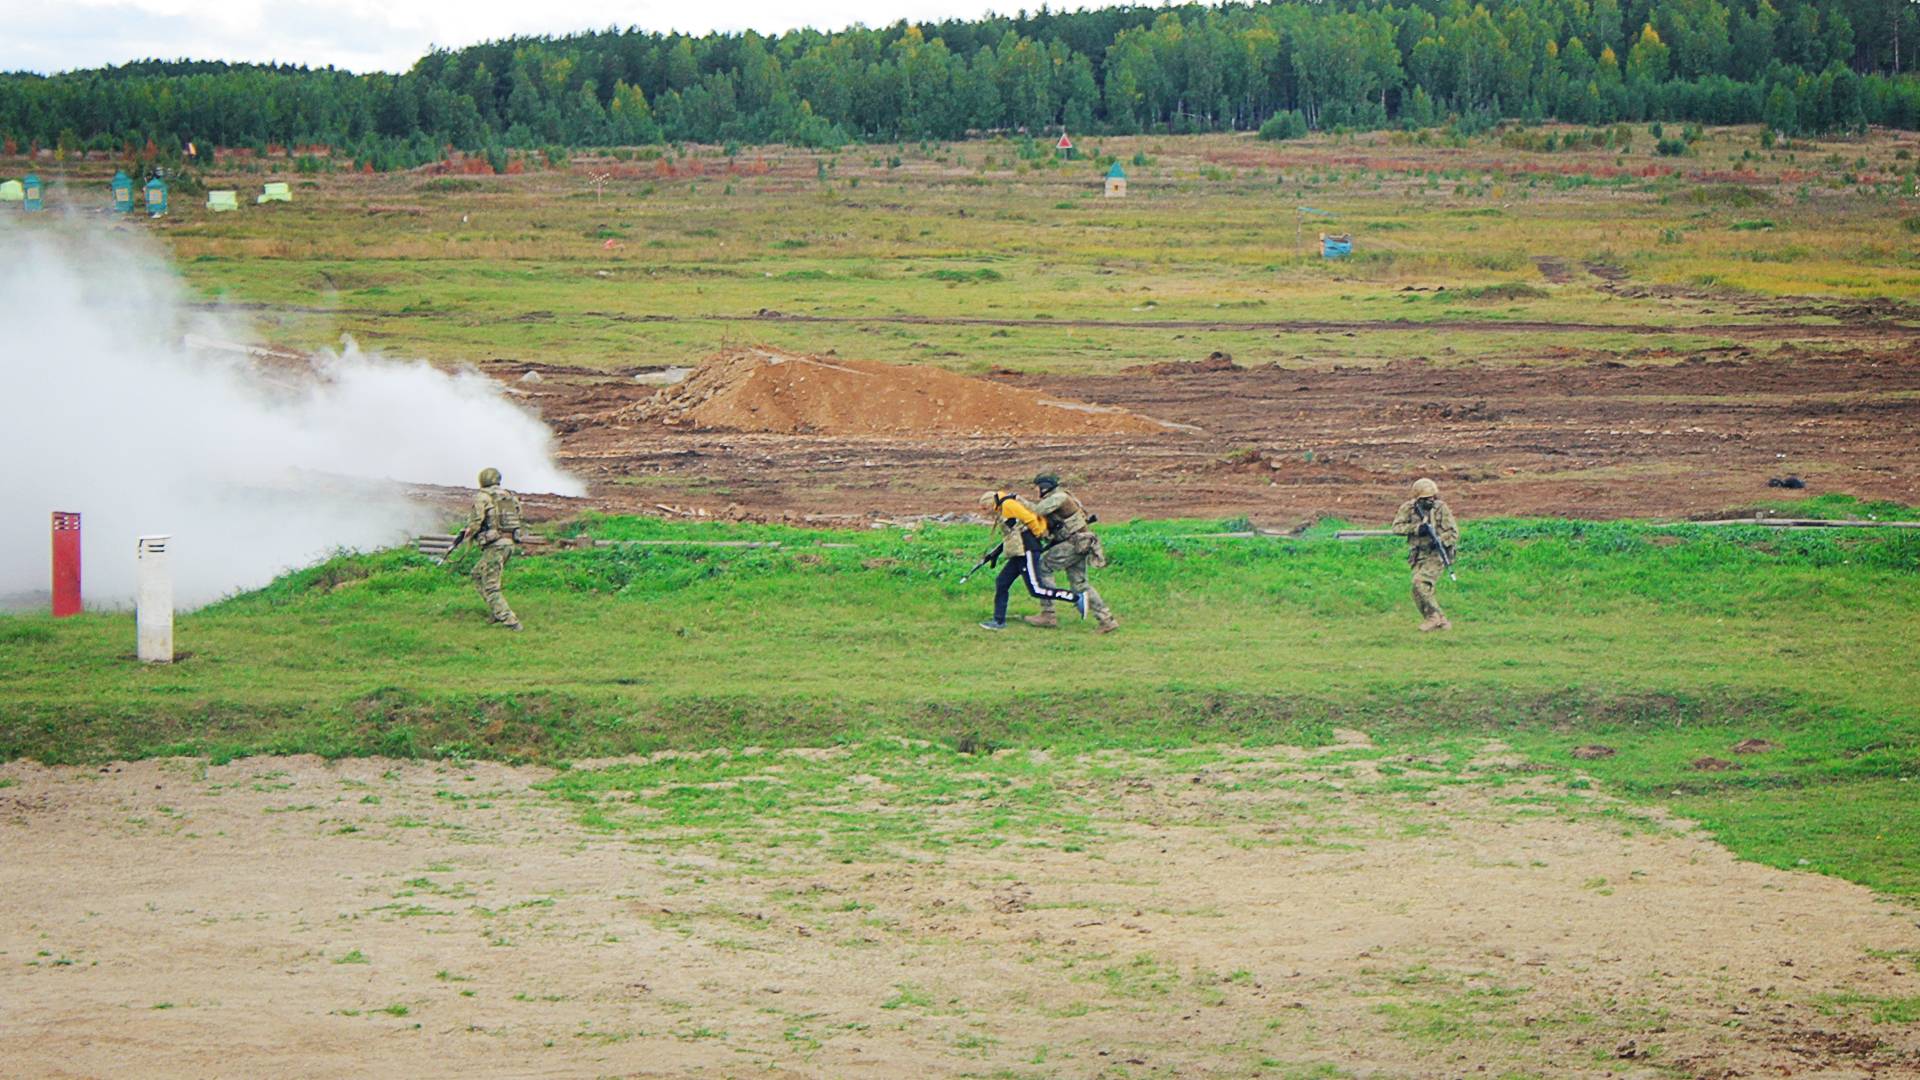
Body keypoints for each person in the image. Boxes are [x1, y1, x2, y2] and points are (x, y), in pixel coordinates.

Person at [1024, 472, 1119, 634]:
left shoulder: (1058, 498)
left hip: (1073, 544)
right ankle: (1106, 620)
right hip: (1079, 543)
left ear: (1044, 488)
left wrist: (1017, 502)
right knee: (1080, 584)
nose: (1036, 491)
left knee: (1042, 567)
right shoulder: (1063, 496)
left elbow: (1038, 510)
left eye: (1038, 488)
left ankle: (1048, 613)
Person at [977, 490, 1084, 631]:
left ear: (990, 503)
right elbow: (1013, 533)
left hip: (1027, 549)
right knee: (1002, 582)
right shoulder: (1002, 509)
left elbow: (1029, 518)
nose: (985, 512)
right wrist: (995, 553)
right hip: (1018, 551)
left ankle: (1076, 597)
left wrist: (1039, 534)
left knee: (1036, 589)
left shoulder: (1008, 505)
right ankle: (998, 620)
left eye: (985, 508)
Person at [453, 467, 525, 631]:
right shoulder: (509, 496)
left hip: (495, 545)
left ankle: (510, 620)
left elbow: (476, 522)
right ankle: (497, 611)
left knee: (491, 586)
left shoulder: (483, 497)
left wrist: (468, 534)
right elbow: (518, 517)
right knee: (477, 574)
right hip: (508, 544)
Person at [1390, 477, 1459, 632]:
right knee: (1418, 590)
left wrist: (1440, 540)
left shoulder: (1441, 508)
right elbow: (1397, 527)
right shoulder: (1408, 508)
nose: (1430, 501)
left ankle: (1435, 617)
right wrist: (1416, 529)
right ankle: (1437, 620)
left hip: (1437, 555)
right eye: (1426, 499)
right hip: (1418, 554)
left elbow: (1453, 533)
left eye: (1432, 497)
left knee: (1420, 582)